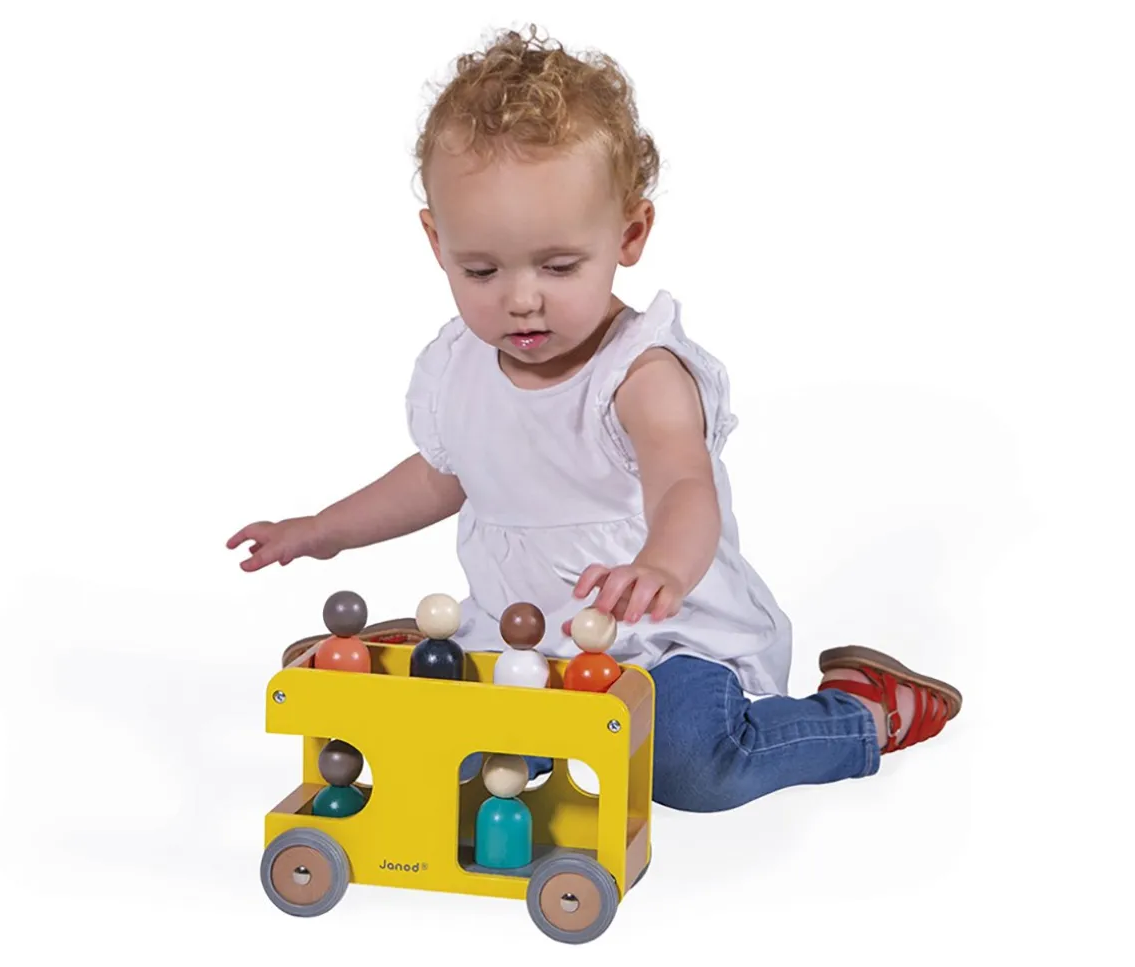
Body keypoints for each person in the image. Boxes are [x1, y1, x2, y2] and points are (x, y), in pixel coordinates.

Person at [226, 25, 961, 811]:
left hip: (660, 641)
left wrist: (662, 568)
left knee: (691, 763)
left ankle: (863, 711)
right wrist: (324, 529)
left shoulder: (639, 374)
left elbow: (683, 485)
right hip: (524, 636)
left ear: (630, 234)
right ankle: (431, 654)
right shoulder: (460, 366)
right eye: (481, 269)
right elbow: (442, 476)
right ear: (438, 242)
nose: (521, 299)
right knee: (458, 764)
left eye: (559, 265)